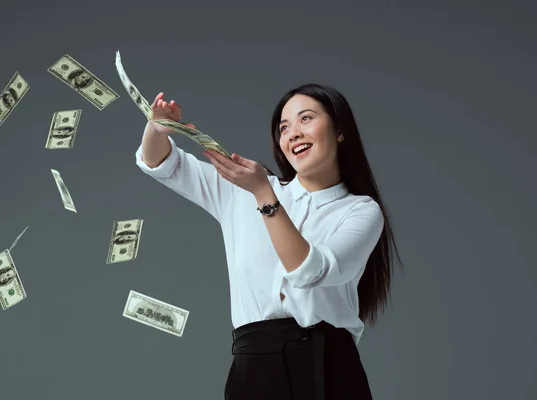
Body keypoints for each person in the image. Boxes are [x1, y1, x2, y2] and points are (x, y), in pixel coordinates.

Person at [135, 83, 402, 399]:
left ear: (340, 130)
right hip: (254, 364)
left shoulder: (360, 210)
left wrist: (263, 194)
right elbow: (163, 164)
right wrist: (157, 129)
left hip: (329, 365)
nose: (293, 134)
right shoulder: (240, 192)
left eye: (306, 119)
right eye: (284, 127)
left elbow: (310, 271)